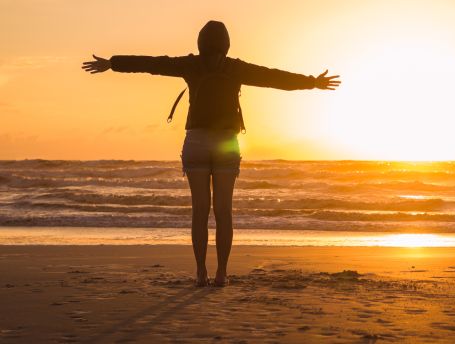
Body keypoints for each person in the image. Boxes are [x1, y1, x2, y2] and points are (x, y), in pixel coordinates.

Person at [82, 20, 340, 287]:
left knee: (200, 211)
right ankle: (221, 274)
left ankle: (200, 273)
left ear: (200, 43)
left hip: (196, 142)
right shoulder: (235, 68)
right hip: (227, 142)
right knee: (224, 211)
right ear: (226, 44)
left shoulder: (190, 65)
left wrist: (112, 63)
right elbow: (273, 77)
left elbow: (151, 64)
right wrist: (313, 83)